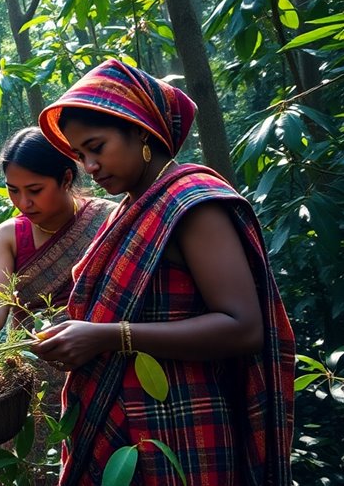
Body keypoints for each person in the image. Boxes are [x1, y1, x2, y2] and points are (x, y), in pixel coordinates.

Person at [31, 59, 295, 485]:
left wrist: (108, 335)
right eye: (81, 155)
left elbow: (244, 327)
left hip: (182, 430)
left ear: (140, 129)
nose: (90, 167)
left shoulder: (192, 204)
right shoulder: (132, 208)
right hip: (125, 423)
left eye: (97, 147)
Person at [0, 127, 114, 483]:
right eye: (13, 190)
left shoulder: (109, 221)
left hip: (100, 372)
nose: (23, 202)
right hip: (31, 384)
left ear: (66, 178)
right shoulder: (10, 235)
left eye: (35, 190)